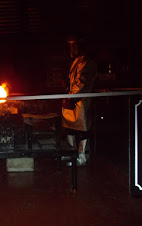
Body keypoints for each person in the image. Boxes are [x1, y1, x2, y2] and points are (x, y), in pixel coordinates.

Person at [61, 34, 98, 166]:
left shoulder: (88, 63)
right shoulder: (77, 61)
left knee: (83, 130)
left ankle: (82, 156)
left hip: (82, 100)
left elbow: (82, 83)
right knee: (69, 128)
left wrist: (72, 97)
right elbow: (73, 80)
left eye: (73, 47)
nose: (71, 50)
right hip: (72, 98)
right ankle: (71, 153)